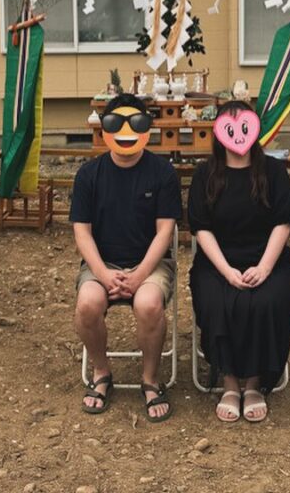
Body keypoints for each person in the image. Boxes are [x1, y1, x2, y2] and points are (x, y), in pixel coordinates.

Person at [70, 93, 181, 421]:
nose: (125, 131)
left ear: (147, 128)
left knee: (148, 304)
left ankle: (150, 379)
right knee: (87, 303)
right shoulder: (89, 175)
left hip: (151, 266)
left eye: (135, 122)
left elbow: (165, 232)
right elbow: (82, 232)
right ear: (105, 129)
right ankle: (102, 373)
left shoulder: (162, 173)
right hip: (102, 265)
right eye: (116, 123)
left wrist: (138, 275)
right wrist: (103, 274)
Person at [188, 100, 290, 423]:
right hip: (216, 262)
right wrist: (226, 270)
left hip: (268, 259)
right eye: (229, 126)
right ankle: (229, 383)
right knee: (218, 300)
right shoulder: (204, 175)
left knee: (267, 300)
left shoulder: (273, 172)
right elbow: (201, 228)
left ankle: (254, 383)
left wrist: (265, 267)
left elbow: (283, 222)